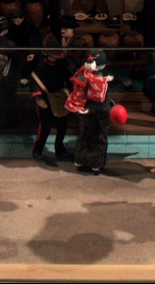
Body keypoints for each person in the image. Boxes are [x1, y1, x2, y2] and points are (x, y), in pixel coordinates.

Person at [29, 22, 76, 161]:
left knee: (62, 126)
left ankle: (60, 150)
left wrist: (73, 92)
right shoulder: (40, 67)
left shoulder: (61, 64)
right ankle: (37, 150)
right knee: (45, 127)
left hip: (59, 98)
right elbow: (34, 81)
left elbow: (68, 78)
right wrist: (38, 99)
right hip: (45, 99)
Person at [67, 49, 112, 174]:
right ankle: (96, 165)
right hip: (97, 110)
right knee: (99, 137)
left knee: (84, 135)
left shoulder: (82, 73)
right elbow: (100, 100)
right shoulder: (99, 79)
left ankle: (80, 161)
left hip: (83, 107)